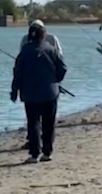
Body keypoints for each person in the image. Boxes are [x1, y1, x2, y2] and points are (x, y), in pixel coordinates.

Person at [11, 23, 67, 163]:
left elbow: (17, 73)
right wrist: (55, 80)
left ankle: (34, 154)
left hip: (30, 94)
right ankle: (47, 152)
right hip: (50, 92)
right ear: (44, 35)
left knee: (33, 123)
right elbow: (63, 68)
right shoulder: (52, 50)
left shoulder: (24, 51)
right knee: (49, 123)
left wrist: (14, 90)